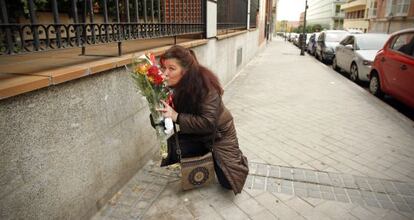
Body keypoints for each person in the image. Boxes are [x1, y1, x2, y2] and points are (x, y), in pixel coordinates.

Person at [157, 45, 249, 194]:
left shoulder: (206, 87)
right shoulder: (174, 86)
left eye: (171, 68)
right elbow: (165, 117)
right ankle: (206, 153)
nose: (165, 73)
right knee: (170, 148)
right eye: (163, 68)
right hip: (199, 132)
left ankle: (236, 157)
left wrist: (176, 116)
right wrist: (157, 108)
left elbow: (208, 122)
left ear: (185, 71)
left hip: (219, 134)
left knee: (229, 183)